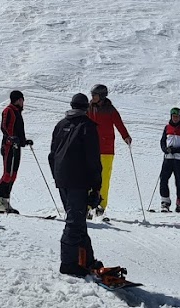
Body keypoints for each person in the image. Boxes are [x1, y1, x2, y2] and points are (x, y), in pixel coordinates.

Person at [49, 93, 102, 277]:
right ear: (86, 108)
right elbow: (93, 160)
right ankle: (68, 264)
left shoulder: (61, 124)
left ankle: (86, 259)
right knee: (74, 221)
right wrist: (96, 187)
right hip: (78, 180)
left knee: (77, 219)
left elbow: (51, 154)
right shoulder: (87, 126)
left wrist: (57, 176)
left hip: (63, 179)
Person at [87, 84, 131, 216]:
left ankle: (101, 205)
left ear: (101, 96)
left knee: (104, 178)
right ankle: (88, 205)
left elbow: (119, 124)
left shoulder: (110, 110)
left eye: (94, 95)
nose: (92, 97)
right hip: (90, 148)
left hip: (106, 150)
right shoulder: (88, 108)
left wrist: (126, 136)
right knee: (89, 178)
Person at [0, 89, 31, 213]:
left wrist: (24, 141)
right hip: (9, 146)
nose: (24, 102)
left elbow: (18, 131)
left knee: (13, 174)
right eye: (22, 99)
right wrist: (10, 138)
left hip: (16, 146)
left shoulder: (17, 112)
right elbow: (4, 126)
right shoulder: (9, 110)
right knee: (8, 173)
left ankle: (5, 200)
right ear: (18, 100)